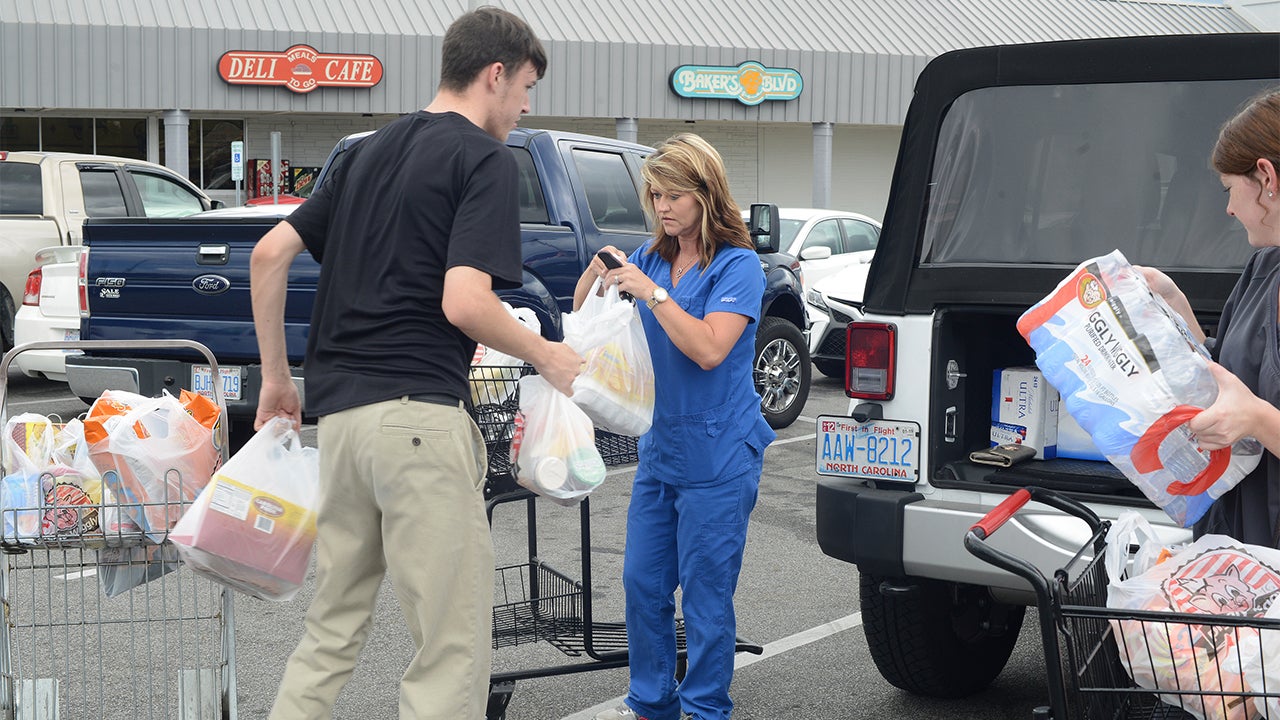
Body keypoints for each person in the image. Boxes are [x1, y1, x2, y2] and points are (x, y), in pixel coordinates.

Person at [249, 7, 582, 719]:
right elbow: (465, 302)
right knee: (450, 647)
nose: (525, 107)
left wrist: (278, 379)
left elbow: (267, 254)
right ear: (495, 74)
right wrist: (548, 354)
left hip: (340, 428)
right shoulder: (484, 160)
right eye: (525, 87)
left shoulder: (366, 152)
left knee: (331, 630)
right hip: (420, 426)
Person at [577, 134, 776, 720]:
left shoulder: (738, 266)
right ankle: (651, 702)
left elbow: (710, 349)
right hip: (662, 448)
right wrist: (595, 273)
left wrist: (655, 294)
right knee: (642, 584)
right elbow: (591, 318)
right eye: (655, 195)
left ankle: (705, 707)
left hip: (719, 452)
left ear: (707, 195)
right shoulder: (650, 257)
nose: (663, 207)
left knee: (707, 597)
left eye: (676, 195)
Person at [1140, 88, 1280, 546]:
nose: (1229, 208)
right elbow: (1230, 370)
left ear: (1266, 177)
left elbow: (1253, 405)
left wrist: (1257, 419)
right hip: (1245, 540)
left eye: (1229, 189)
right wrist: (1173, 304)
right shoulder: (1265, 268)